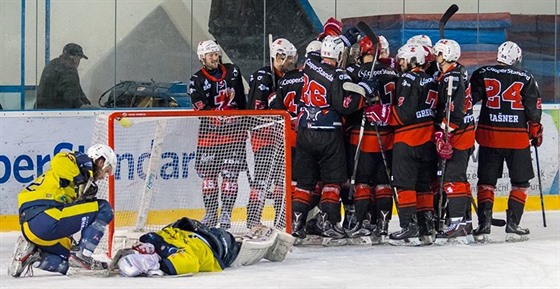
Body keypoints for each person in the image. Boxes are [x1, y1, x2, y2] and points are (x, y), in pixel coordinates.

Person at [290, 35, 370, 241]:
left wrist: (347, 35)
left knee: (304, 182)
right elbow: (345, 106)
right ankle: (330, 223)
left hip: (305, 131)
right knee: (332, 182)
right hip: (328, 133)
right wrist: (364, 92)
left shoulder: (309, 65)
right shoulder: (339, 76)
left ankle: (296, 224)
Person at [366, 43, 439, 245]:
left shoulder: (407, 78)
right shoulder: (432, 80)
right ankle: (426, 227)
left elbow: (404, 114)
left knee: (404, 184)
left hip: (408, 139)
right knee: (423, 185)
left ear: (414, 61)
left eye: (404, 60)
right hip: (428, 139)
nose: (401, 63)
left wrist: (383, 114)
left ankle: (409, 226)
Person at [469, 41, 543, 242]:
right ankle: (513, 225)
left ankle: (483, 226)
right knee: (520, 182)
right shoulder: (526, 77)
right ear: (516, 58)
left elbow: (467, 101)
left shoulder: (482, 73)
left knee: (486, 182)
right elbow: (533, 110)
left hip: (489, 137)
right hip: (516, 139)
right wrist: (536, 131)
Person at [8, 144, 117, 277]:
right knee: (104, 208)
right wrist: (81, 177)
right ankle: (83, 255)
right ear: (100, 161)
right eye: (106, 170)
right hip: (45, 216)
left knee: (71, 261)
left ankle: (33, 256)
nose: (104, 177)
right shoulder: (79, 161)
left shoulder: (76, 179)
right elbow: (58, 160)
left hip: (32, 229)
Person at [343, 35, 399, 241]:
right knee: (383, 183)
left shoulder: (355, 71)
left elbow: (345, 99)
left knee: (362, 182)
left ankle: (362, 222)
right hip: (387, 135)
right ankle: (382, 223)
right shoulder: (393, 71)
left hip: (363, 135)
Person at [189, 40, 247, 229]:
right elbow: (200, 109)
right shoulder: (196, 80)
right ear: (202, 58)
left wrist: (245, 121)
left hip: (234, 134)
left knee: (231, 176)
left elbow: (241, 99)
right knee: (209, 177)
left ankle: (227, 215)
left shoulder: (233, 71)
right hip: (210, 136)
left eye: (216, 54)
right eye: (210, 55)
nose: (214, 58)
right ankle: (211, 213)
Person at [113, 216, 294, 277]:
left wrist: (153, 244)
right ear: (148, 262)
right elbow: (190, 262)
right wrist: (159, 254)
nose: (139, 247)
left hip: (198, 231)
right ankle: (269, 246)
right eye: (139, 252)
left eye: (137, 249)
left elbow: (159, 237)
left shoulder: (151, 240)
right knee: (244, 249)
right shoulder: (171, 262)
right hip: (221, 248)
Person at [246, 38, 298, 229]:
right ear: (279, 56)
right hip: (263, 136)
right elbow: (255, 110)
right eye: (289, 58)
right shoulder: (263, 76)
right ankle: (252, 220)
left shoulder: (282, 76)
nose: (292, 62)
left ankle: (281, 219)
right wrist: (272, 104)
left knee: (279, 181)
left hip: (280, 137)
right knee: (261, 179)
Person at [431, 39, 476, 244]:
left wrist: (443, 132)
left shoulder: (452, 78)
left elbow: (455, 112)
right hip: (465, 132)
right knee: (459, 177)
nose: (435, 56)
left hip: (458, 134)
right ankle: (465, 222)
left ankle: (457, 222)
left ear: (447, 55)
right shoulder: (457, 72)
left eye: (439, 53)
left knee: (452, 178)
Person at [35, 43, 91, 109]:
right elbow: (71, 97)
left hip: (42, 110)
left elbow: (78, 91)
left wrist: (87, 103)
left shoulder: (52, 63)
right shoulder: (69, 69)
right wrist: (88, 108)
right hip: (58, 113)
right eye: (79, 59)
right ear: (76, 58)